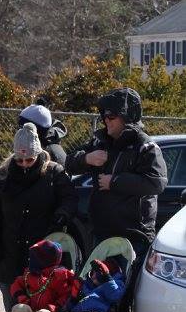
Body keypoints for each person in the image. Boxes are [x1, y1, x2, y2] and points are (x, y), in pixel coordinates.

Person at [0, 122, 75, 312]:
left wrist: (62, 214)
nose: (24, 163)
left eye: (29, 160)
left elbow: (69, 199)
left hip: (41, 246)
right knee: (11, 291)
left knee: (40, 293)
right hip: (10, 245)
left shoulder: (53, 173)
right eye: (20, 159)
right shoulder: (4, 175)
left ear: (38, 155)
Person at [66, 87, 167, 258]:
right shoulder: (100, 141)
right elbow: (68, 163)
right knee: (97, 284)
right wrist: (87, 159)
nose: (106, 121)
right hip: (101, 234)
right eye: (104, 116)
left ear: (126, 117)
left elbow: (156, 182)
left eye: (111, 117)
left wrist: (114, 181)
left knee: (128, 285)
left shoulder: (145, 146)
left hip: (133, 237)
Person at [1, 239, 78, 312]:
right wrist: (21, 296)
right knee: (20, 307)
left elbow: (66, 295)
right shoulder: (29, 273)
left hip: (48, 311)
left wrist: (55, 307)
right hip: (30, 307)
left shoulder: (61, 275)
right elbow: (16, 284)